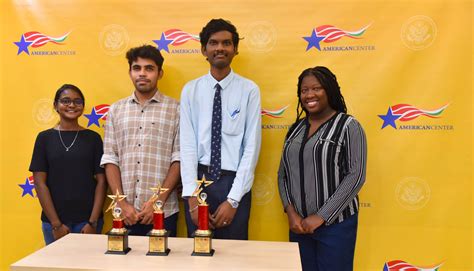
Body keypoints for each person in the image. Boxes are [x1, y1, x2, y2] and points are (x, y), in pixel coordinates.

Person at [277, 66, 367, 271]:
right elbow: (283, 174)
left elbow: (356, 176)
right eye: (304, 90)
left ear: (329, 90)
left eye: (316, 88)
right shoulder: (295, 129)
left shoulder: (348, 126)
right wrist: (291, 212)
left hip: (336, 226)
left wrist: (321, 217)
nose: (309, 95)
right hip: (299, 226)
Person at [180, 18, 261, 240]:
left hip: (234, 183)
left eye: (226, 43)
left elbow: (251, 148)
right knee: (198, 255)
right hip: (199, 181)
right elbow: (187, 146)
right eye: (213, 43)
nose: (220, 48)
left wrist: (233, 199)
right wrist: (192, 196)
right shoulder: (190, 90)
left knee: (234, 258)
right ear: (203, 50)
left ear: (235, 49)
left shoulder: (249, 90)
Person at [100, 45, 180, 236]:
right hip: (124, 213)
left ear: (160, 73)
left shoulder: (176, 109)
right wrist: (121, 202)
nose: (142, 74)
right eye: (137, 68)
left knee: (162, 265)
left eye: (149, 68)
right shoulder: (116, 110)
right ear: (130, 72)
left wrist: (157, 202)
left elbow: (179, 159)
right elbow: (111, 159)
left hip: (164, 212)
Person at [30, 84, 106, 245]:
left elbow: (101, 181)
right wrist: (56, 224)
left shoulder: (93, 138)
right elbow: (39, 183)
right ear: (55, 105)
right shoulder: (44, 138)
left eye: (77, 101)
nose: (72, 105)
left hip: (88, 223)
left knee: (89, 269)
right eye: (66, 101)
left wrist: (92, 222)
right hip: (53, 223)